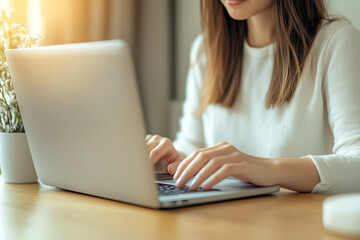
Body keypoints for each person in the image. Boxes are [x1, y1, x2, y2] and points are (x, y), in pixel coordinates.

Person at [145, 0, 360, 194]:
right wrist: (171, 161)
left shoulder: (337, 42)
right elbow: (192, 145)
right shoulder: (206, 51)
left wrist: (267, 169)